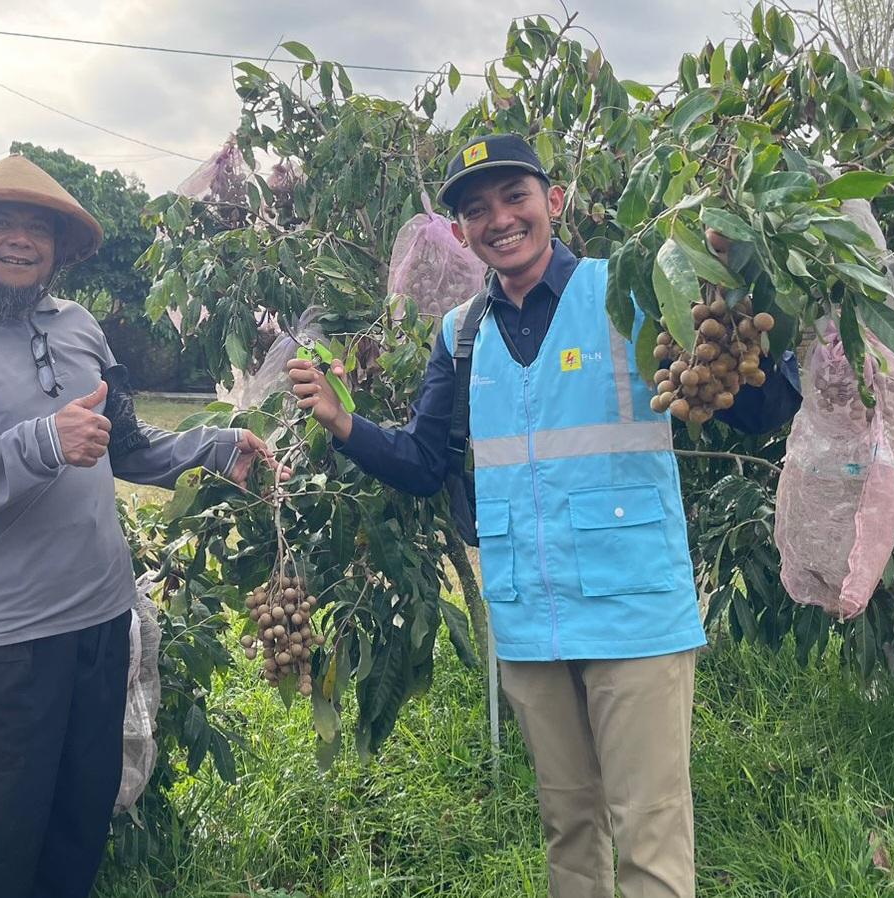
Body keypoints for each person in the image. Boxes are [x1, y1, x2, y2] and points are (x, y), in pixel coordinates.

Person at [286, 134, 799, 898]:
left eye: (514, 197)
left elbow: (755, 405)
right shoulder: (460, 334)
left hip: (634, 616)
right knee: (569, 829)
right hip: (530, 623)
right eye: (476, 209)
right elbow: (427, 464)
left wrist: (744, 280)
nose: (499, 219)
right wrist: (342, 421)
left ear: (552, 202)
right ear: (460, 233)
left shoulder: (631, 291)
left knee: (649, 833)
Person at [0, 152, 277, 897]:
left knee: (73, 838)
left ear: (61, 250)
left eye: (39, 227)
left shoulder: (81, 329)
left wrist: (219, 449)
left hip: (95, 632)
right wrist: (42, 441)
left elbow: (125, 443)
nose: (21, 239)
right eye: (1, 222)